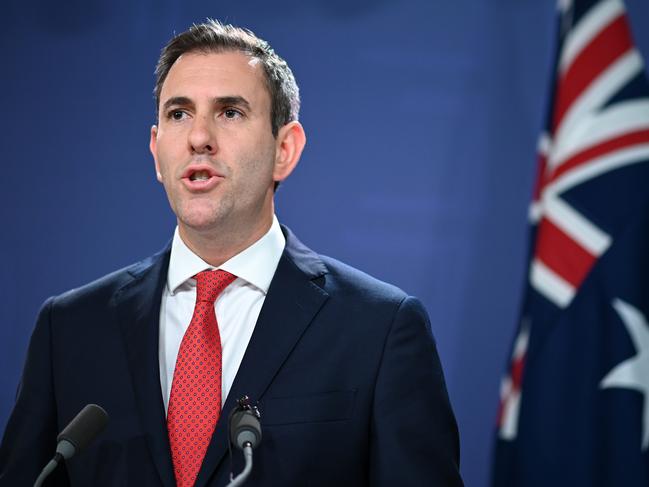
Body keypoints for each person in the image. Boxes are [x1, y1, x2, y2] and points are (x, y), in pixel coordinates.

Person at [0, 20, 463, 486]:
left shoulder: (378, 330)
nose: (199, 137)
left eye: (229, 112)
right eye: (179, 114)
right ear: (156, 149)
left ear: (285, 149)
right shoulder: (71, 329)